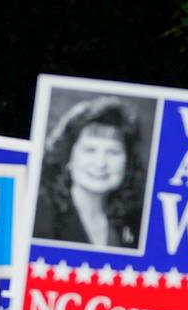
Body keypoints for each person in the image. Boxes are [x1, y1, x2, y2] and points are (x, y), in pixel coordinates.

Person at [32, 96, 147, 249]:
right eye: (89, 150)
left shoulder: (132, 225)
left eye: (113, 152)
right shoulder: (38, 216)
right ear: (68, 157)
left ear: (128, 163)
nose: (101, 163)